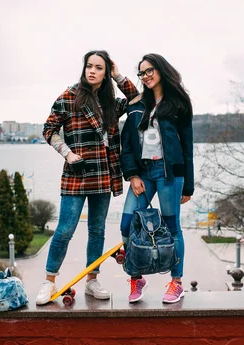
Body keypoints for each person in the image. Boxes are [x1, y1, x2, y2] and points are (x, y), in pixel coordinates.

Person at [36, 50, 139, 305]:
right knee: (64, 230)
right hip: (77, 172)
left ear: (105, 73)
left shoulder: (111, 102)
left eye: (99, 68)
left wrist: (118, 75)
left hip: (103, 173)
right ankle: (48, 282)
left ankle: (92, 279)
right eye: (89, 66)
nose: (92, 71)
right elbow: (49, 130)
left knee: (97, 230)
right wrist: (68, 153)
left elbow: (138, 98)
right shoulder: (69, 97)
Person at [119, 53, 194, 304]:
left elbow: (187, 147)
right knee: (128, 224)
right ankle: (136, 277)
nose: (146, 76)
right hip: (144, 175)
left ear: (161, 70)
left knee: (173, 228)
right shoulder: (137, 105)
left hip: (170, 174)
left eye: (149, 70)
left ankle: (176, 282)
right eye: (142, 73)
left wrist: (189, 185)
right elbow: (127, 144)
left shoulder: (179, 104)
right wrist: (131, 175)